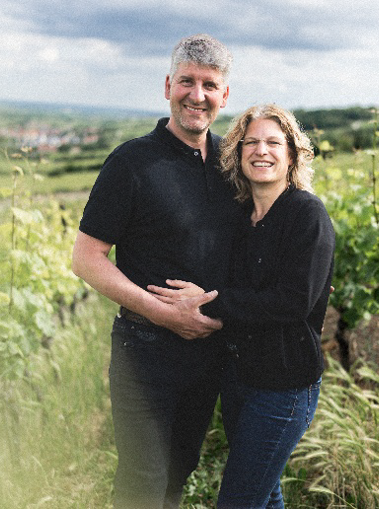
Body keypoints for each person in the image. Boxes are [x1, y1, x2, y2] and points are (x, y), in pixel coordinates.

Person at [71, 34, 241, 508]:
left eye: (209, 85)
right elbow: (86, 258)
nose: (197, 95)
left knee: (180, 469)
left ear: (224, 95)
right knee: (142, 480)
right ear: (168, 86)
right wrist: (163, 313)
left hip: (208, 354)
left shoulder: (231, 163)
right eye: (187, 81)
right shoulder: (131, 162)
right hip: (144, 350)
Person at [148, 104, 335, 508]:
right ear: (238, 154)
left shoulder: (307, 215)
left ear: (292, 154)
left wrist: (209, 303)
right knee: (265, 494)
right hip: (239, 380)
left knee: (238, 501)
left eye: (273, 143)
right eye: (251, 142)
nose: (261, 151)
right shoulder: (239, 218)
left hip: (284, 387)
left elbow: (293, 302)